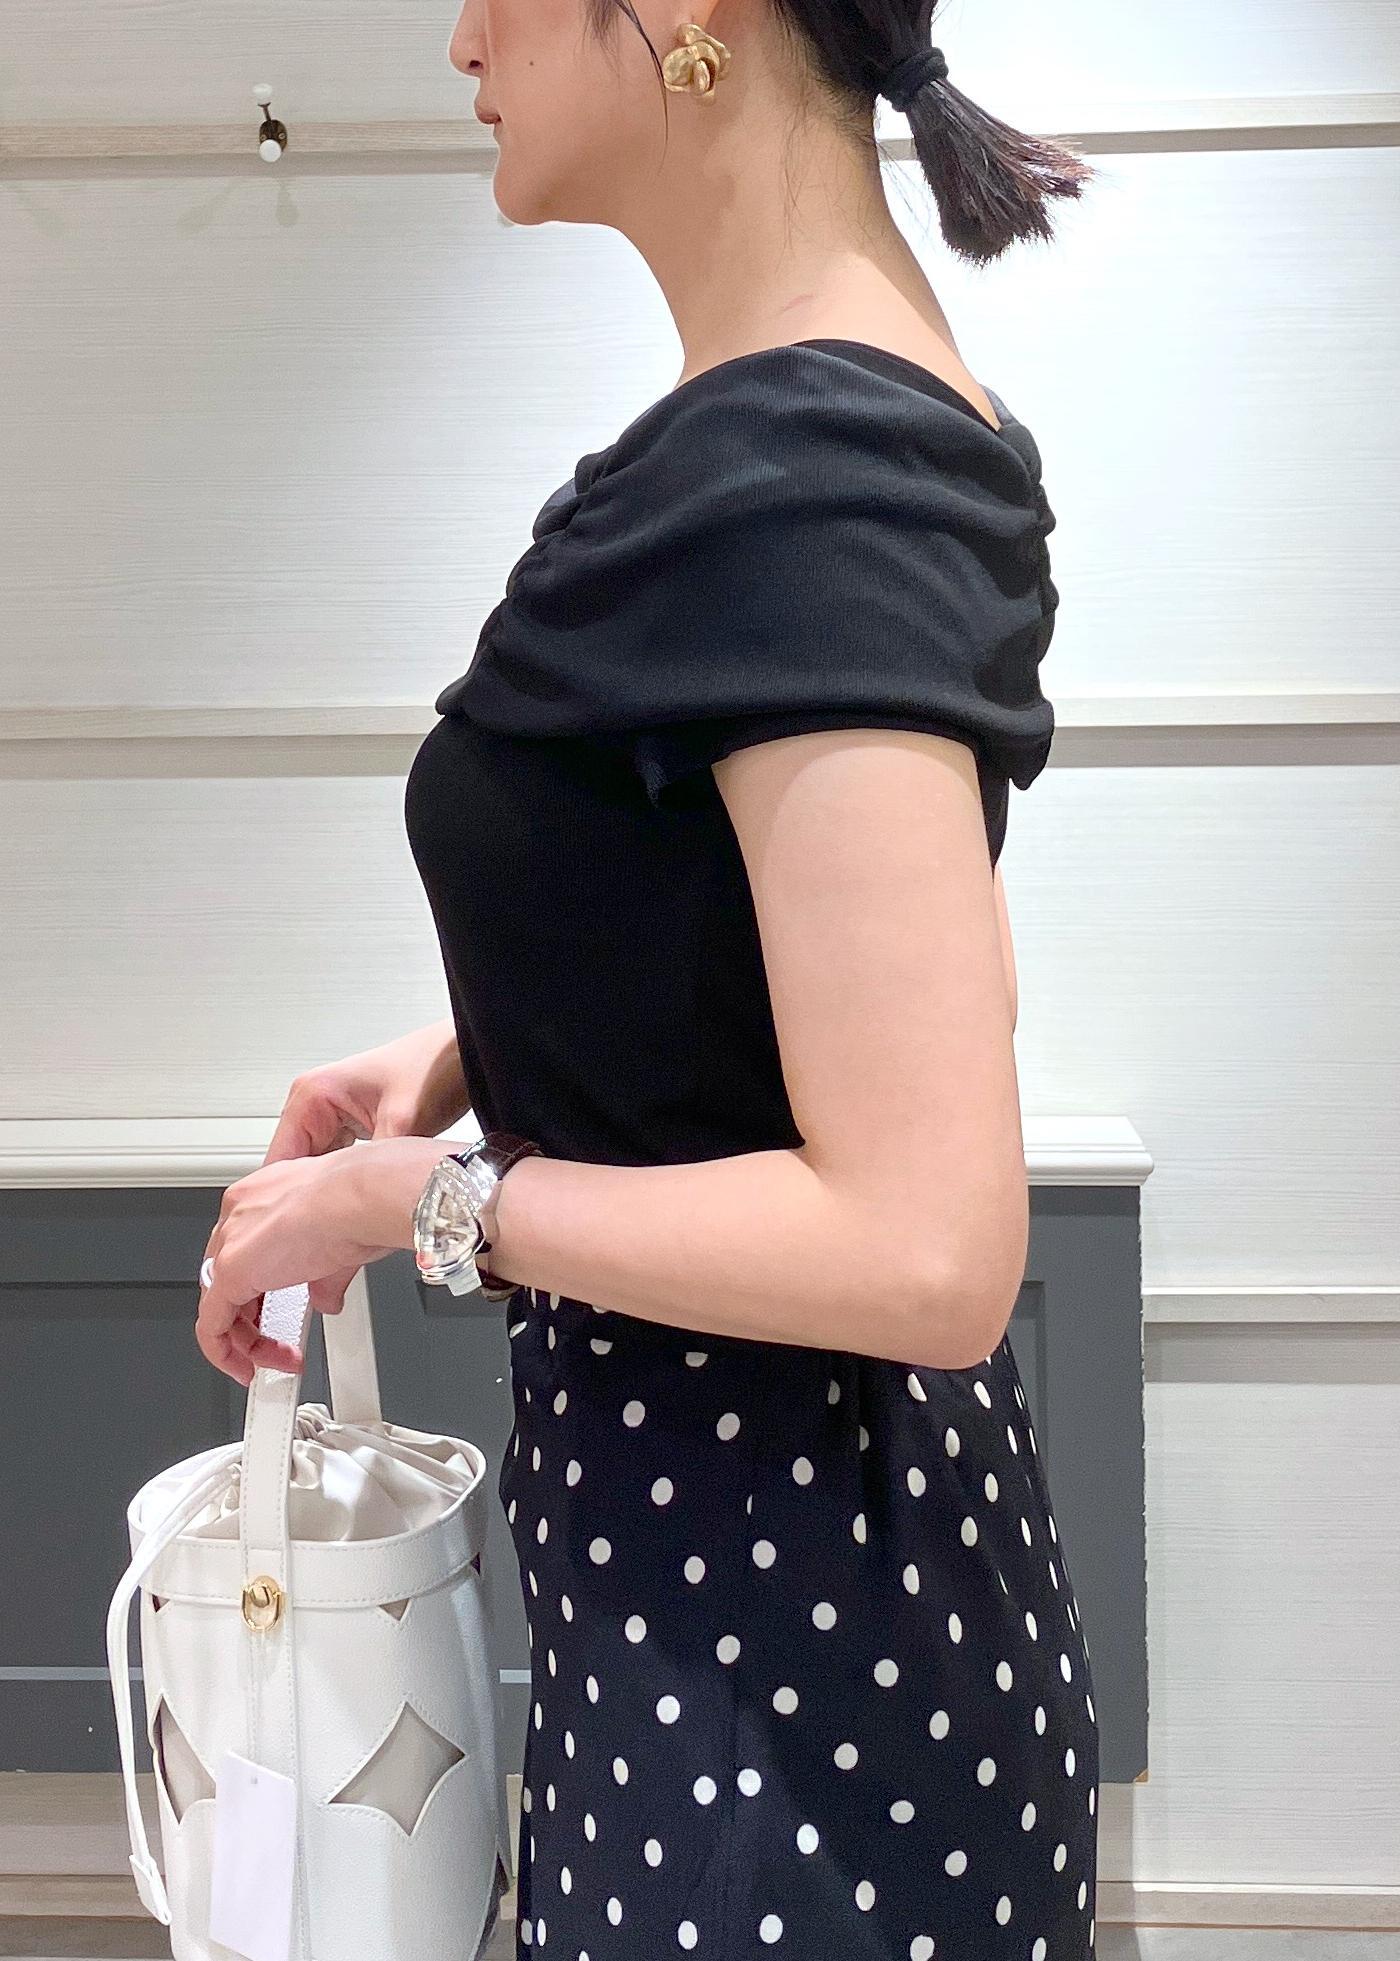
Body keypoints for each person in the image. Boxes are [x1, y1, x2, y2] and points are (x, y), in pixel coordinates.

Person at [196, 4, 1101, 1955]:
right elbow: (832, 977)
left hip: (789, 1697)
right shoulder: (799, 442)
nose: (460, 38)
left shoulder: (812, 472)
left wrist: (419, 1200)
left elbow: (928, 1243)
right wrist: (468, 1054)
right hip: (737, 1623)